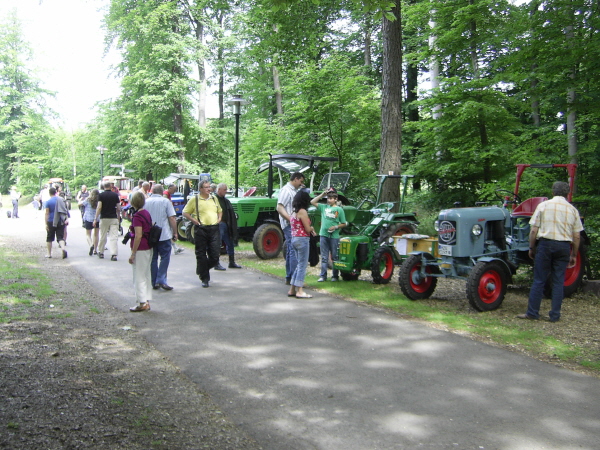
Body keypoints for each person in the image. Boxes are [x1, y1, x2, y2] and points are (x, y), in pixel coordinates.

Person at [517, 181, 584, 323]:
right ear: (567, 194)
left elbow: (534, 230)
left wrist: (531, 247)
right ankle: (554, 315)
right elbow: (577, 236)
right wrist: (573, 255)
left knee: (539, 280)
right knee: (558, 282)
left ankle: (532, 313)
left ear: (553, 192)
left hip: (545, 245)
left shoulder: (543, 206)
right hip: (563, 247)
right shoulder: (572, 210)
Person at [182, 180, 222, 288]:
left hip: (214, 228)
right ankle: (205, 278)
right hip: (201, 229)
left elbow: (220, 210)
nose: (209, 189)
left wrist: (219, 218)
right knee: (201, 254)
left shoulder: (214, 198)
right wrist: (193, 220)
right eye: (206, 187)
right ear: (200, 189)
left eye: (209, 187)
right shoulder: (194, 199)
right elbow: (185, 212)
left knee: (215, 255)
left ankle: (201, 269)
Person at [145, 184, 178, 290]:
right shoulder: (166, 202)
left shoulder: (146, 202)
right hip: (164, 234)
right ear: (162, 192)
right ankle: (161, 279)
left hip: (150, 235)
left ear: (152, 191)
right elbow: (172, 218)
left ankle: (154, 281)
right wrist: (175, 232)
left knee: (153, 258)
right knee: (165, 257)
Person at [310, 188, 347, 282]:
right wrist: (322, 194)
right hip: (323, 235)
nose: (329, 199)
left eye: (331, 198)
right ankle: (323, 276)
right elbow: (312, 201)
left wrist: (335, 227)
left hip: (334, 236)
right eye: (328, 198)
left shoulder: (339, 209)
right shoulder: (324, 207)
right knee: (324, 256)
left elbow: (344, 223)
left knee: (334, 256)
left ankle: (335, 276)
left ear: (335, 199)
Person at [276, 172, 306, 285]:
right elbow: (279, 207)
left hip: (291, 224)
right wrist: (291, 220)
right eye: (301, 181)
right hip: (289, 225)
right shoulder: (286, 190)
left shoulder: (294, 190)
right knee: (294, 250)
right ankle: (295, 279)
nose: (301, 184)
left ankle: (289, 278)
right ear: (296, 179)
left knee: (290, 250)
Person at [128, 191, 153, 312]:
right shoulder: (146, 213)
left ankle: (142, 302)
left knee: (138, 276)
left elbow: (138, 235)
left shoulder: (137, 216)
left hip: (141, 248)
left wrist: (133, 253)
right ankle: (146, 299)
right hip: (148, 246)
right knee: (146, 274)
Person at [287, 191, 315, 298]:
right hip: (302, 239)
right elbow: (307, 229)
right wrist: (312, 228)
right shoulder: (303, 212)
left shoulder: (293, 212)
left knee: (299, 264)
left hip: (294, 239)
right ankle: (300, 291)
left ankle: (292, 289)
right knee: (302, 265)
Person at [214, 183, 242, 270]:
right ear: (219, 190)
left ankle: (232, 262)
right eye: (225, 190)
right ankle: (216, 263)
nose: (226, 191)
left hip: (226, 223)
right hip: (219, 224)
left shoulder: (226, 200)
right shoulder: (213, 200)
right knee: (218, 243)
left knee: (230, 242)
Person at [94, 181, 121, 261]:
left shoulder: (101, 195)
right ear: (111, 186)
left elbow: (99, 207)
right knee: (114, 236)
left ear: (103, 187)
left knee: (103, 235)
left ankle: (101, 252)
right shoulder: (115, 195)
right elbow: (118, 208)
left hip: (104, 218)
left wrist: (95, 218)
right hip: (113, 218)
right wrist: (118, 217)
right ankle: (114, 254)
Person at [44, 187, 68, 259]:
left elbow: (47, 213)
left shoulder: (48, 202)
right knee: (60, 237)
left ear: (49, 193)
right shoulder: (60, 200)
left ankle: (49, 254)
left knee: (49, 238)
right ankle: (63, 249)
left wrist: (46, 223)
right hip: (60, 221)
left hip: (51, 221)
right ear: (56, 192)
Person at [80, 188, 100, 256]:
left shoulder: (88, 200)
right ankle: (95, 249)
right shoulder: (99, 201)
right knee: (96, 234)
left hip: (88, 218)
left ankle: (91, 244)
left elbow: (80, 204)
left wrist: (80, 200)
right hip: (97, 219)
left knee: (88, 234)